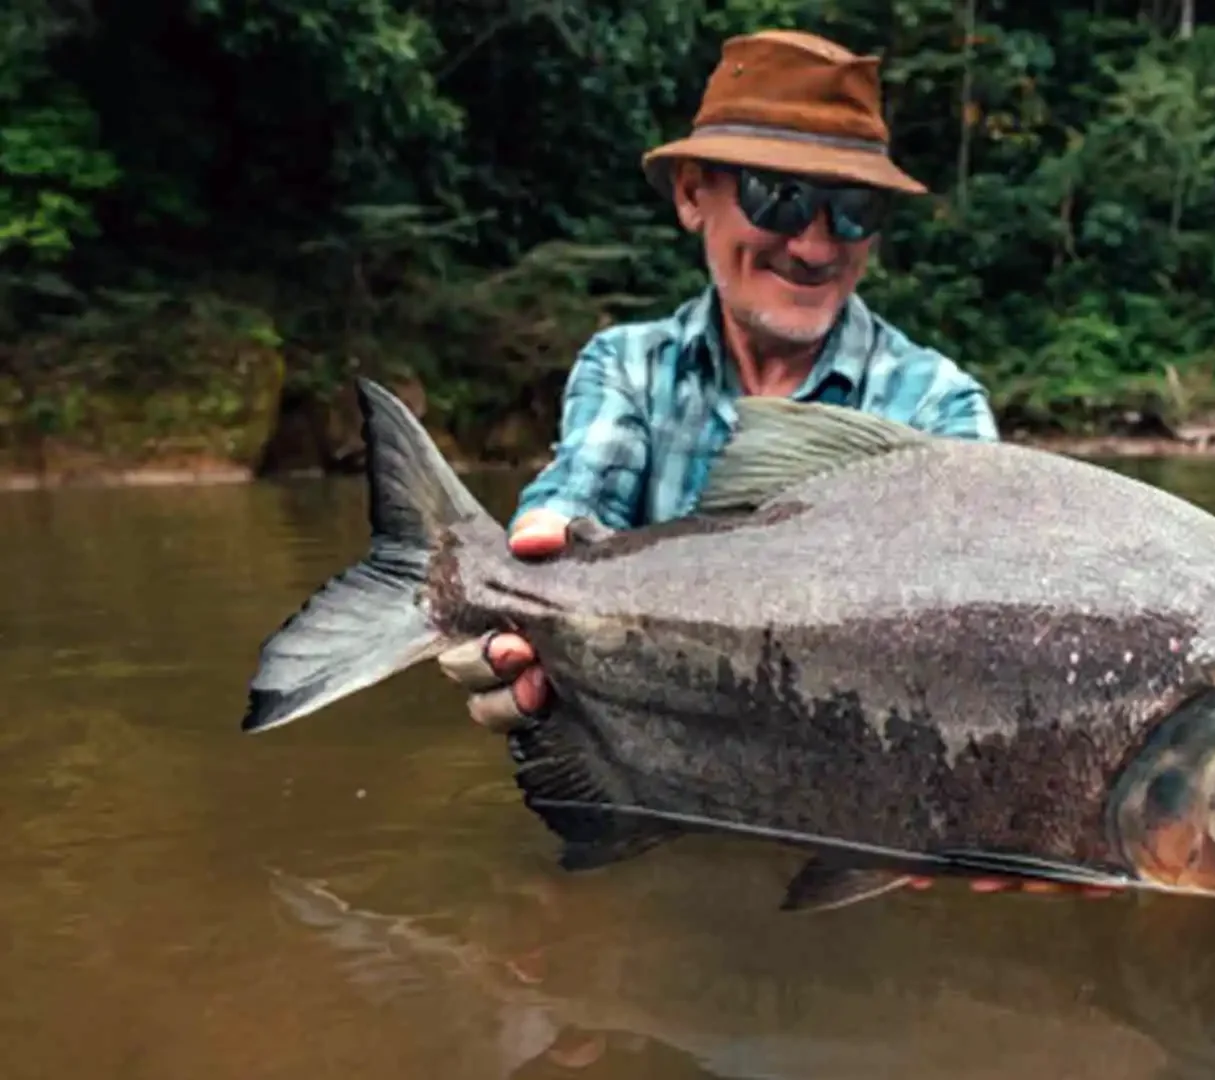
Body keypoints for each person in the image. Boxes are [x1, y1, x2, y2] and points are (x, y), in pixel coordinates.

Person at [438, 29, 1109, 899]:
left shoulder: (939, 405)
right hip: (655, 791)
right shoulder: (627, 368)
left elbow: (996, 619)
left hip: (864, 817)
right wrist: (511, 591)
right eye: (782, 197)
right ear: (692, 194)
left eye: (856, 210)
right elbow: (574, 503)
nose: (819, 244)